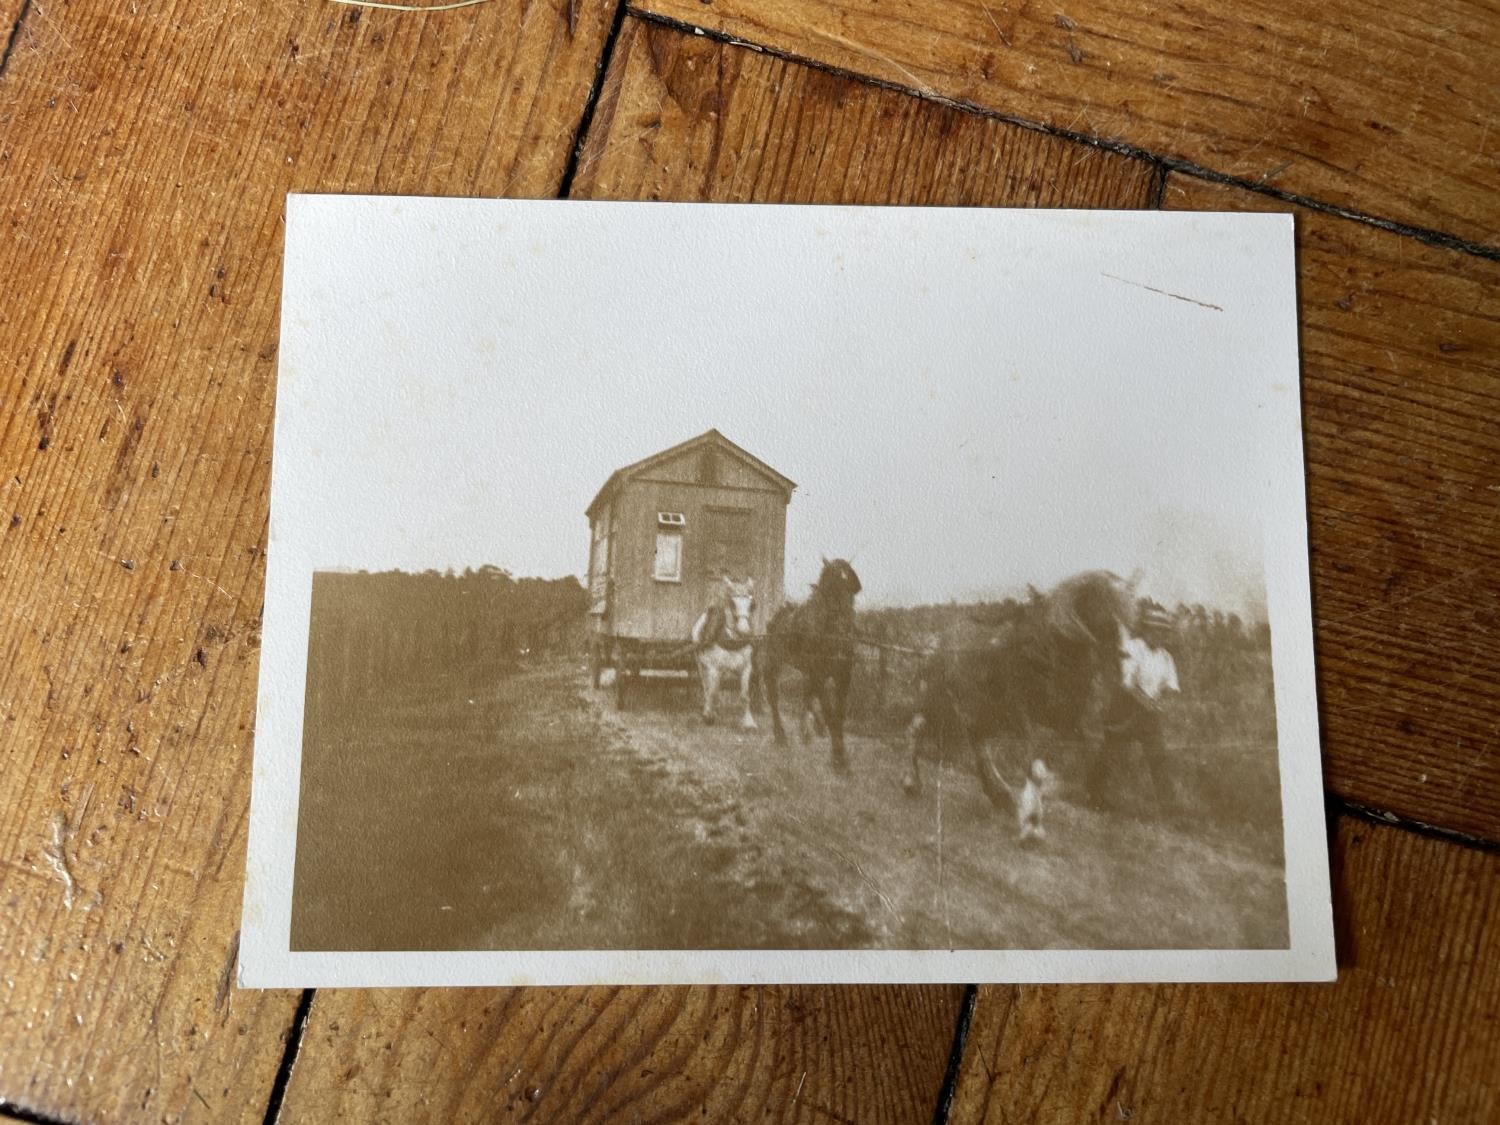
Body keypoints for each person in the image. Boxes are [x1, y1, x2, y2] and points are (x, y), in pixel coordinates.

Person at [1085, 604, 1182, 815]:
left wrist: (1159, 701)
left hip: (1149, 715)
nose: (1159, 635)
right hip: (1125, 710)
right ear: (1146, 629)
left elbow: (1171, 686)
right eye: (1155, 630)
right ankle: (1094, 794)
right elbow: (1127, 682)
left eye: (1163, 631)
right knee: (1111, 753)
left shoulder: (1166, 657)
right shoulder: (1132, 647)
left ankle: (1169, 805)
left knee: (1158, 756)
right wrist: (1147, 702)